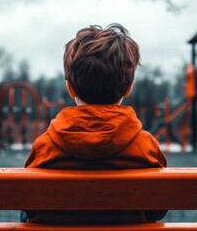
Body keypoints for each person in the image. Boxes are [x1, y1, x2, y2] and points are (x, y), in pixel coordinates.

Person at [23, 23, 167, 224]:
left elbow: (29, 206)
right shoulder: (146, 147)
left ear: (70, 88)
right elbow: (157, 210)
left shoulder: (44, 146)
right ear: (128, 88)